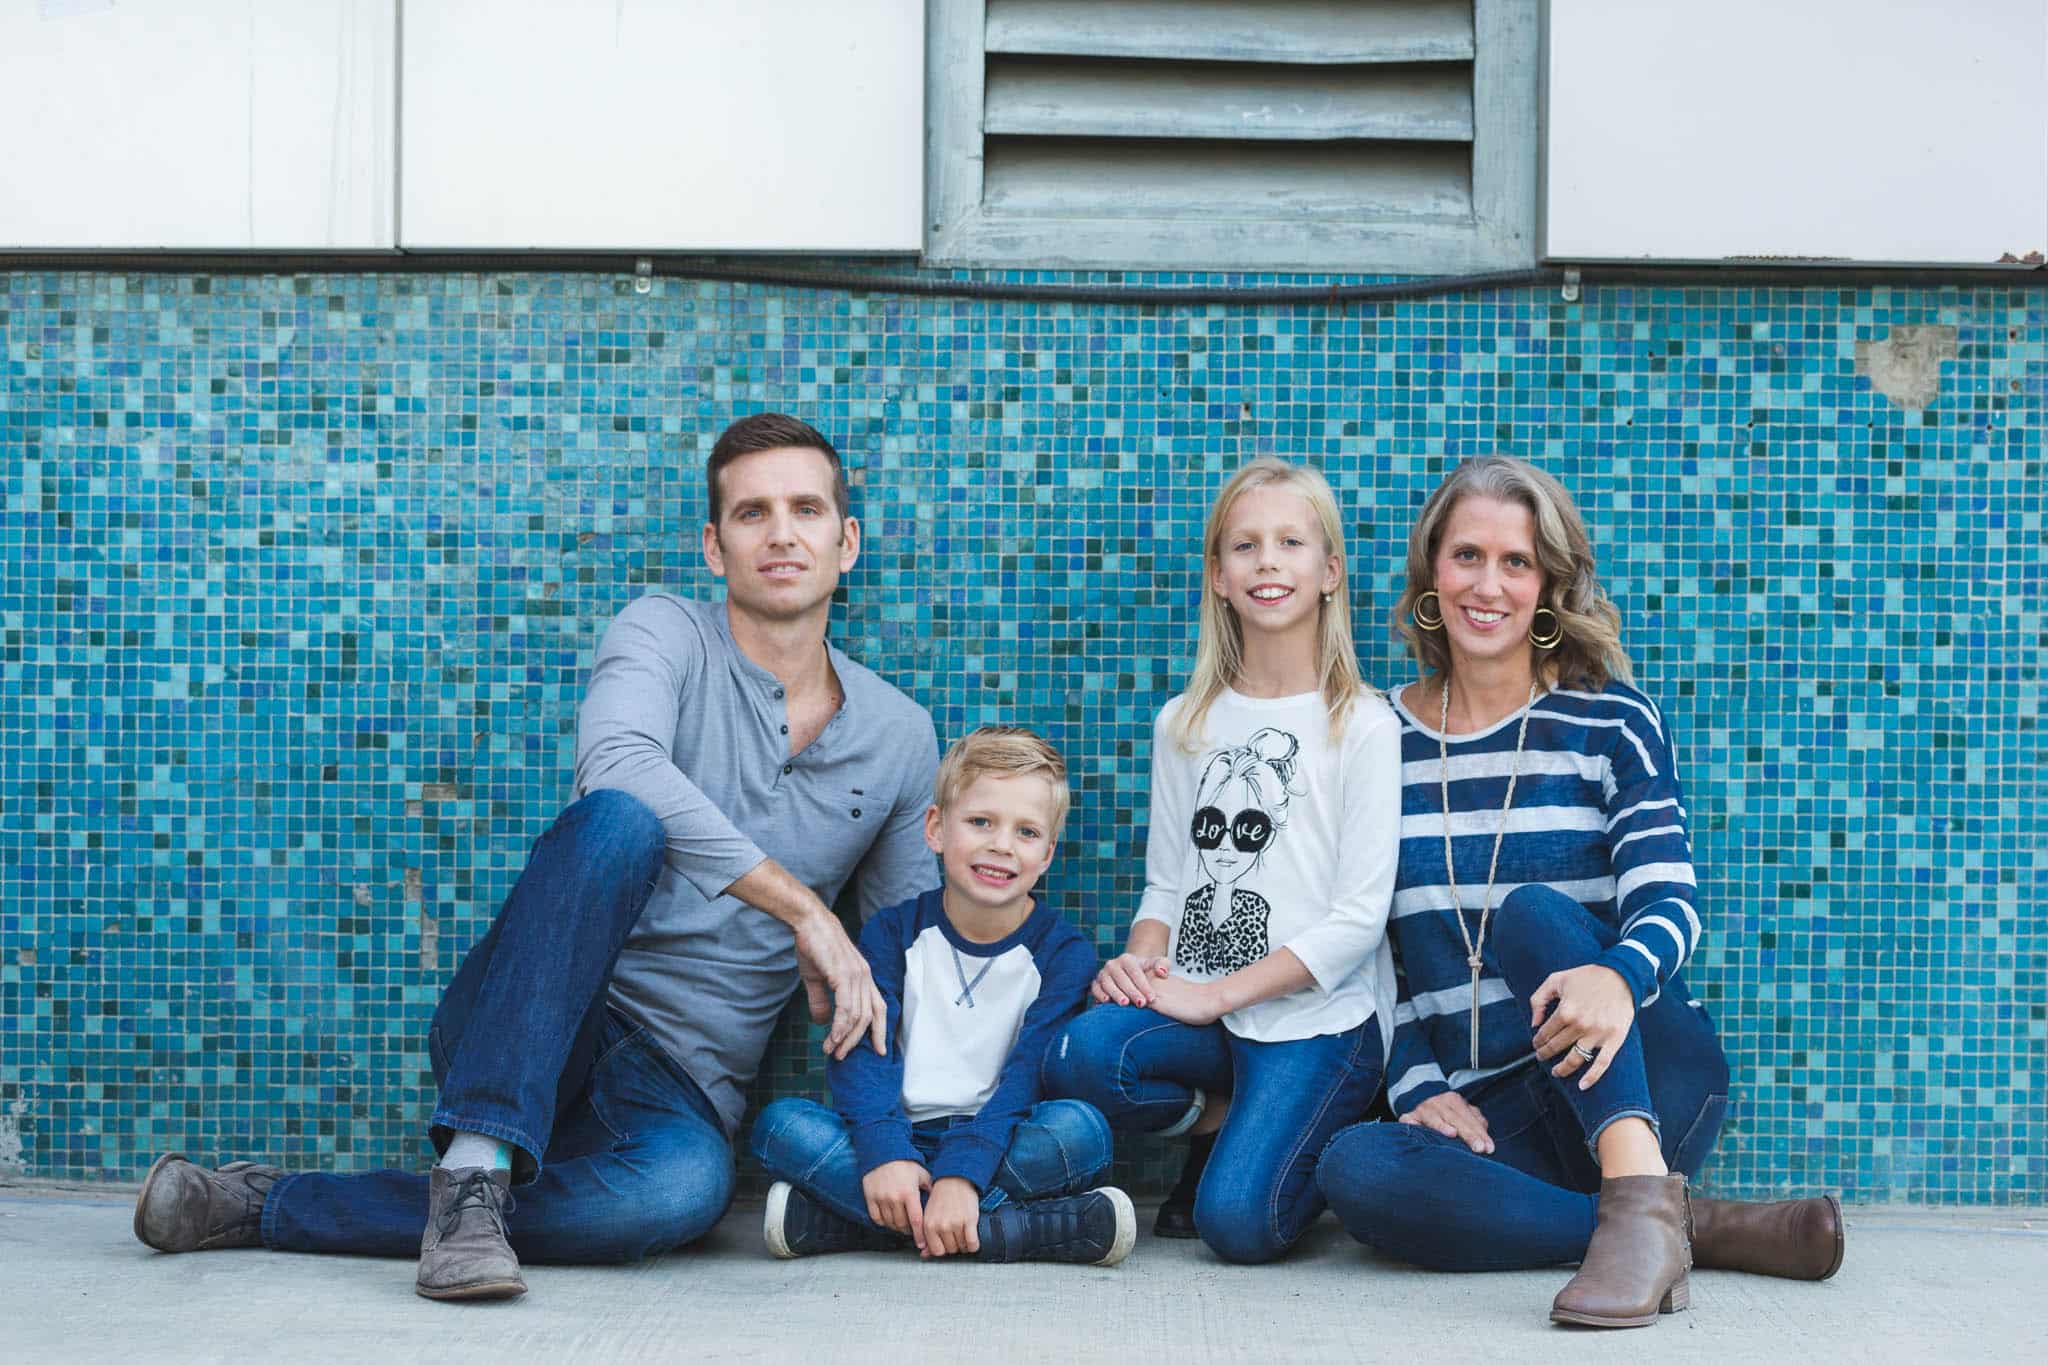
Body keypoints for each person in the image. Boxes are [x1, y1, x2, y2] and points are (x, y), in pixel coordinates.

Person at [131, 413, 941, 1301]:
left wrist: (921, 1151)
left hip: (682, 1088)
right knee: (620, 820)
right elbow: (616, 763)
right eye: (753, 513)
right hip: (540, 1018)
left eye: (806, 509)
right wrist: (806, 909)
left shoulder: (900, 736)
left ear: (846, 541)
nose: (781, 533)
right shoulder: (663, 630)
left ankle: (276, 1203)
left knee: (681, 1193)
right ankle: (478, 1159)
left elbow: (904, 963)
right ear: (715, 547)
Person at [1315, 455, 1845, 1328]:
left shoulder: (1611, 719)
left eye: (1516, 562)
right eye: (1467, 556)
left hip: (1646, 1069)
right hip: (1499, 1112)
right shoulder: (1376, 735)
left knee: (1532, 916)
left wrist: (1616, 977)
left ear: (1549, 585)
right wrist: (1415, 1083)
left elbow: (1670, 899)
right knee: (1356, 1168)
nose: (1489, 586)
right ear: (1432, 572)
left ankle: (1637, 1187)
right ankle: (1676, 1223)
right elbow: (1367, 945)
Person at [1041, 457, 1401, 1265]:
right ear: (1218, 576)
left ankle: (1328, 1113)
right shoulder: (1186, 721)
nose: (1267, 561)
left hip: (1318, 1022)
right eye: (1245, 545)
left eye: (1290, 542)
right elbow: (1167, 882)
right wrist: (1141, 963)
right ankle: (1226, 1115)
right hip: (1207, 1010)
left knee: (1236, 1223)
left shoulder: (1363, 725)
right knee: (1079, 1055)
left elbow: (1357, 922)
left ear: (1330, 571)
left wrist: (1215, 996)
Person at [750, 725, 1135, 1266]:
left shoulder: (1063, 952)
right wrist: (886, 1153)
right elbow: (860, 1052)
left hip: (1002, 1141)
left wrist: (963, 1175)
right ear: (935, 828)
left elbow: (1028, 1076)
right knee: (781, 1127)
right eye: (981, 822)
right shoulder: (892, 932)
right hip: (899, 1138)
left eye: (1026, 832)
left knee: (1082, 1131)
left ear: (1047, 854)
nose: (1001, 845)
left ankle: (862, 1224)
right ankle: (1013, 1230)